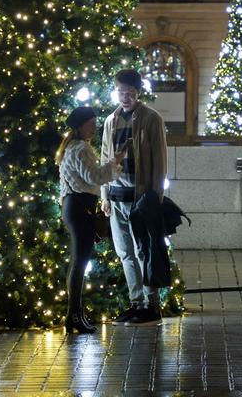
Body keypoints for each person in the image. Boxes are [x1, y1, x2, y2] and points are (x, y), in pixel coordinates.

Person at [100, 69, 167, 327]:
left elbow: (159, 160)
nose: (125, 97)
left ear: (138, 93)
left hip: (140, 198)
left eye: (130, 93)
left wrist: (155, 195)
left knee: (144, 251)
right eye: (121, 92)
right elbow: (106, 157)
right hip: (116, 197)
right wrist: (104, 194)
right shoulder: (111, 121)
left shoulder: (151, 118)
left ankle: (152, 305)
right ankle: (136, 303)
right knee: (125, 252)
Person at [56, 105, 127, 334]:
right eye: (91, 123)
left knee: (78, 262)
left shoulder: (72, 147)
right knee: (79, 263)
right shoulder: (79, 149)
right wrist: (115, 162)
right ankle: (74, 316)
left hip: (72, 207)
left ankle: (75, 314)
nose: (95, 127)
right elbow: (93, 177)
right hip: (79, 209)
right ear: (81, 125)